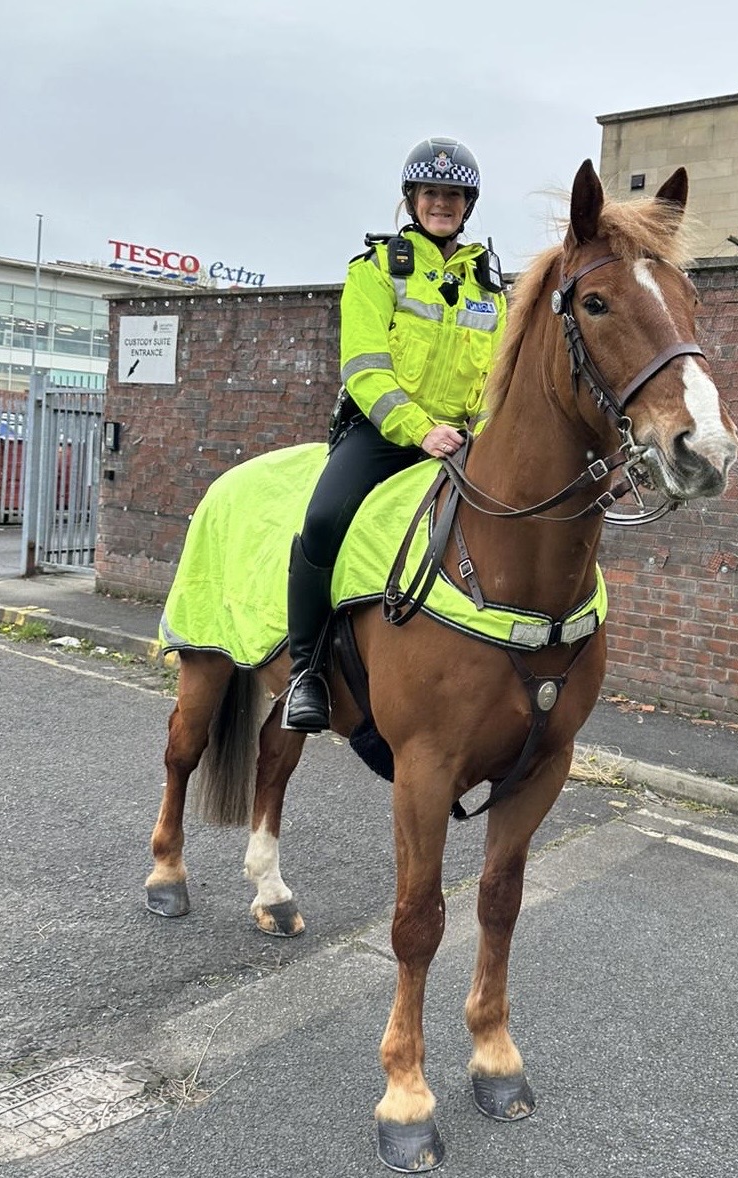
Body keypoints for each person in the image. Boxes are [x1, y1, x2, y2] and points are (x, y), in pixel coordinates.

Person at [282, 136, 508, 733]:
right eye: (431, 192)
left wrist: (480, 430)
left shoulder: (491, 286)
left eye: (454, 194)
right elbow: (363, 367)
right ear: (412, 199)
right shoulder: (376, 270)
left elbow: (500, 377)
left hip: (465, 437)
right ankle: (306, 671)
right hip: (385, 432)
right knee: (325, 519)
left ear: (468, 204)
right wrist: (419, 428)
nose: (442, 203)